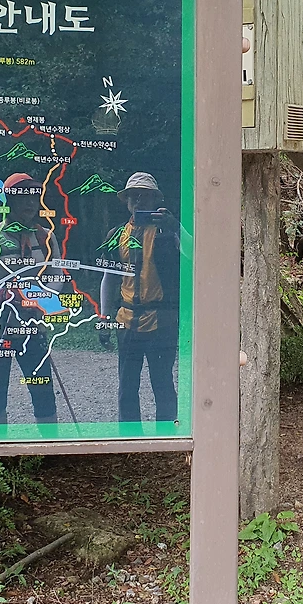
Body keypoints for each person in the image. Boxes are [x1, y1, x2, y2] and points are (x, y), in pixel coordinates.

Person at [0, 172, 63, 425]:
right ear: (8, 201)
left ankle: (48, 448)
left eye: (34, 197)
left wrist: (42, 299)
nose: (30, 203)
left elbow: (57, 274)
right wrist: (2, 294)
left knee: (44, 395)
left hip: (33, 326)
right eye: (22, 197)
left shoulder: (45, 236)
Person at [99, 172, 179, 422]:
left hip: (161, 321)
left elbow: (194, 255)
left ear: (156, 200)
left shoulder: (167, 232)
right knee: (126, 388)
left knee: (163, 384)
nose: (139, 201)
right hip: (126, 321)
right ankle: (128, 438)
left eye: (145, 196)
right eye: (133, 196)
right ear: (126, 201)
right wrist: (104, 317)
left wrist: (175, 226)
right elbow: (109, 278)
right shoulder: (116, 235)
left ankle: (167, 437)